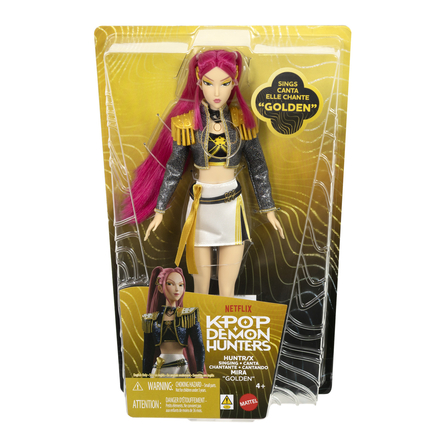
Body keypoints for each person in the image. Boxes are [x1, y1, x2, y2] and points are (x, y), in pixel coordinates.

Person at [125, 50, 284, 297]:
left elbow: (258, 167)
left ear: (235, 81)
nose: (217, 92)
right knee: (200, 288)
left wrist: (268, 208)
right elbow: (174, 168)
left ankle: (226, 321)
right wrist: (160, 209)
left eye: (225, 83)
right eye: (209, 83)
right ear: (199, 81)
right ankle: (200, 322)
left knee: (227, 288)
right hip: (200, 208)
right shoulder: (187, 123)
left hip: (232, 206)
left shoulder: (242, 121)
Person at [142, 266, 205, 376]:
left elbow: (198, 346)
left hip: (181, 369)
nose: (177, 289)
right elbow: (148, 353)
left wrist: (199, 372)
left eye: (181, 285)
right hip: (159, 370)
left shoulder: (188, 315)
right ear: (160, 288)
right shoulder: (152, 319)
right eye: (170, 284)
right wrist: (144, 377)